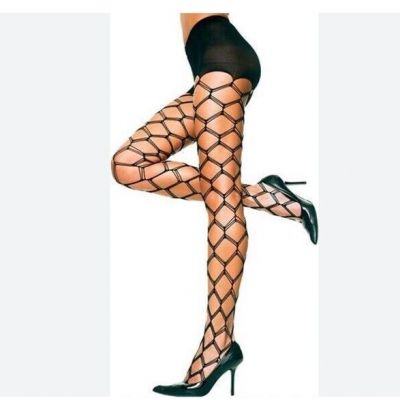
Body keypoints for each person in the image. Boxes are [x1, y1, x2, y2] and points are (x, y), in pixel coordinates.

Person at [111, 12, 318, 397]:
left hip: (221, 64)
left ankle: (218, 344)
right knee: (128, 164)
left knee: (222, 205)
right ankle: (272, 196)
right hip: (212, 68)